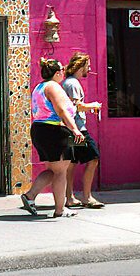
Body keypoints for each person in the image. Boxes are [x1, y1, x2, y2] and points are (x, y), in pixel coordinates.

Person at [19, 58, 85, 218]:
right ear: (57, 73)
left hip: (41, 130)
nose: (64, 72)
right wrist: (75, 129)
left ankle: (30, 196)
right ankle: (60, 209)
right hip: (54, 131)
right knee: (61, 172)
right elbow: (61, 110)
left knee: (54, 170)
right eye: (62, 70)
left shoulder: (39, 87)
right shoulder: (53, 87)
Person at [60, 53, 105, 209]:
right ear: (80, 66)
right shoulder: (73, 84)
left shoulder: (68, 82)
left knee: (71, 163)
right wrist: (93, 105)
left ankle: (70, 197)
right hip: (78, 129)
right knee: (93, 158)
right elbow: (76, 106)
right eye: (88, 65)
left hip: (70, 128)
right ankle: (87, 197)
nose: (90, 68)